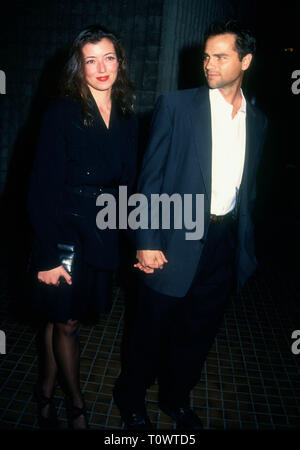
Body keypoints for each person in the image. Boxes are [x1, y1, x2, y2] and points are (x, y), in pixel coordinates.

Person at [113, 20, 268, 429]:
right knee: (150, 331)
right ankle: (130, 399)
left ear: (246, 61)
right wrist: (146, 240)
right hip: (173, 236)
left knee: (197, 334)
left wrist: (243, 248)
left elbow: (247, 191)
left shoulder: (259, 121)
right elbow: (149, 181)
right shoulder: (176, 106)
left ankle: (175, 398)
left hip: (223, 243)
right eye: (206, 57)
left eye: (221, 56)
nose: (209, 64)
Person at [27, 25, 137, 429]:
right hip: (64, 231)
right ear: (80, 67)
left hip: (103, 232)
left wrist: (139, 241)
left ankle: (44, 389)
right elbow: (40, 188)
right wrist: (47, 255)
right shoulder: (62, 112)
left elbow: (129, 186)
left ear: (119, 62)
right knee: (68, 323)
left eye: (108, 57)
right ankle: (76, 405)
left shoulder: (126, 115)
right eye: (91, 60)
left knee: (61, 318)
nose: (101, 67)